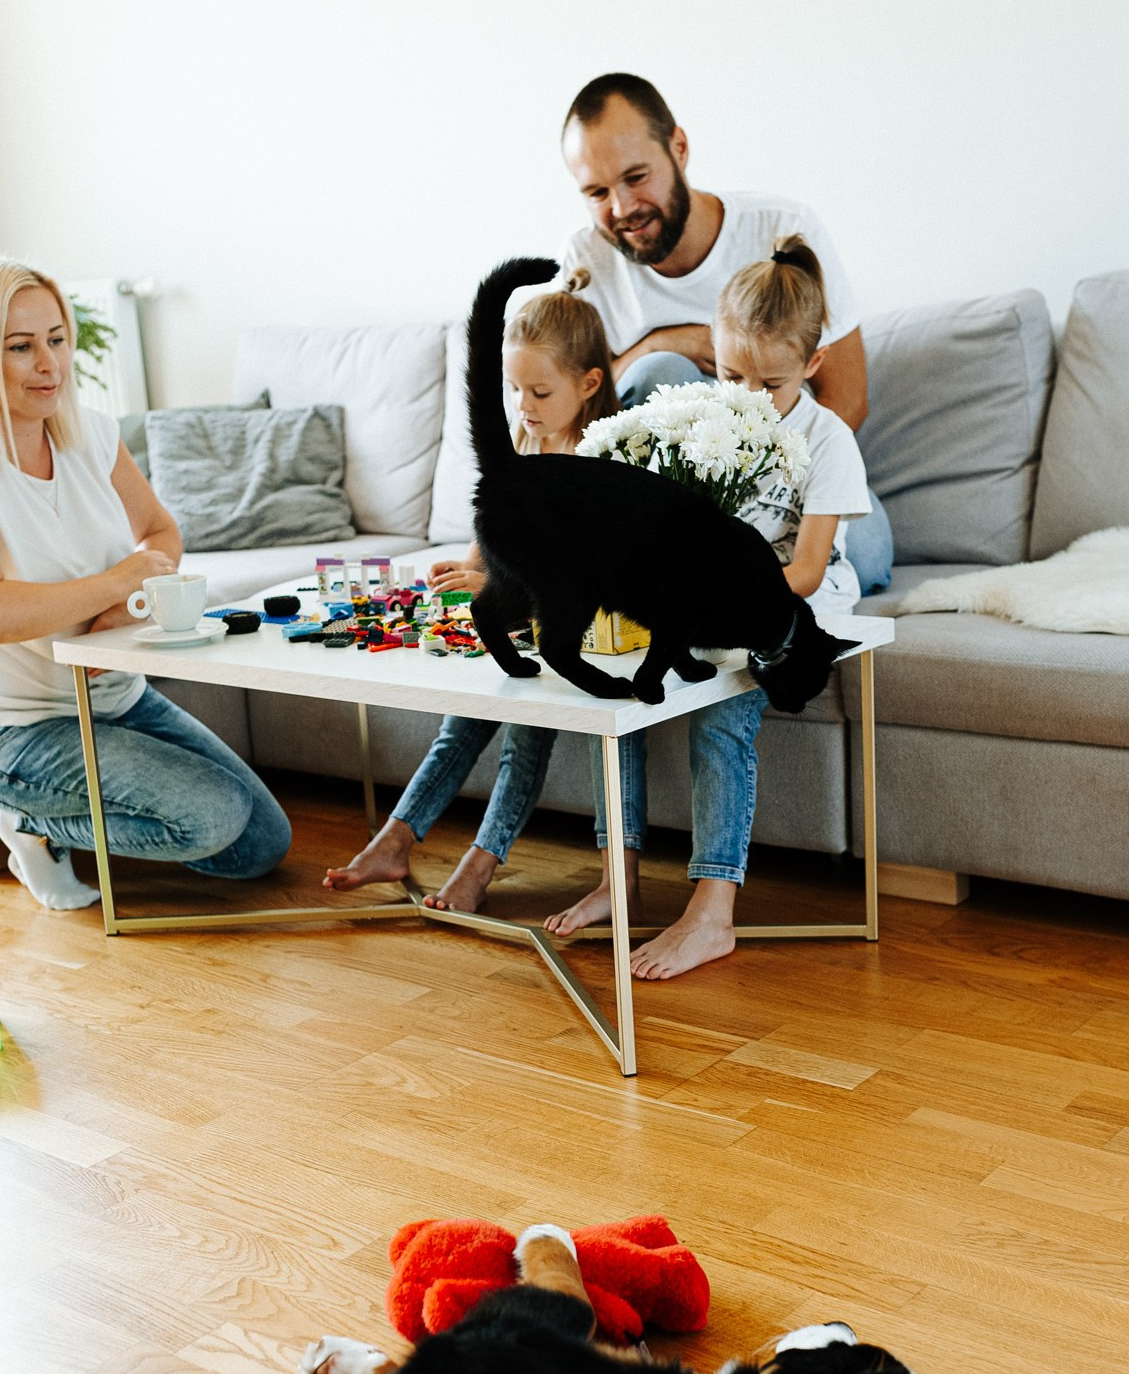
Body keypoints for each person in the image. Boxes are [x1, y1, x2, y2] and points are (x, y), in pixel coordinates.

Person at [0, 255, 291, 911]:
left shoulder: (89, 433)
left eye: (56, 340)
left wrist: (125, 605)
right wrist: (118, 581)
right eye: (20, 347)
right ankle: (29, 825)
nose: (50, 364)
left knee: (260, 842)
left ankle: (59, 824)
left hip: (115, 697)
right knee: (210, 820)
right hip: (14, 731)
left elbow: (161, 536)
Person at [545, 235, 870, 979]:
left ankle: (710, 911)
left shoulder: (827, 438)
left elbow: (809, 572)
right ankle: (616, 875)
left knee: (722, 705)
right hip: (711, 595)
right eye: (729, 375)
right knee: (615, 674)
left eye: (771, 384)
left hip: (794, 597)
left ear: (812, 366)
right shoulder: (699, 419)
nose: (747, 399)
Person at [323, 278, 620, 914]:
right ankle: (394, 839)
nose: (524, 405)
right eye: (515, 390)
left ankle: (479, 866)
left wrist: (495, 586)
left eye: (539, 392)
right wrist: (468, 567)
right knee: (461, 721)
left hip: (576, 639)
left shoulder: (602, 459)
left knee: (525, 735)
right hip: (521, 631)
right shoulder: (526, 440)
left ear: (589, 384)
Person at [558, 71, 892, 593]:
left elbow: (847, 398)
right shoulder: (586, 260)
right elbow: (573, 417)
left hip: (794, 481)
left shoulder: (780, 226)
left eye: (636, 176)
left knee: (860, 563)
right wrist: (658, 344)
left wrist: (757, 489)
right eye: (597, 192)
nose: (622, 208)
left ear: (680, 148)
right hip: (680, 501)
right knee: (658, 371)